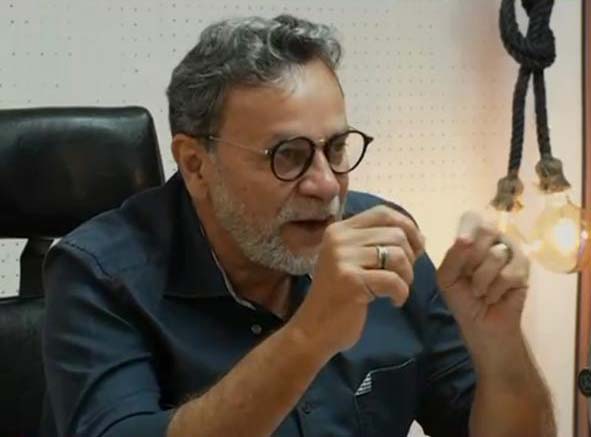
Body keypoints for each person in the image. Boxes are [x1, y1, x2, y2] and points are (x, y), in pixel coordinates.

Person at [42, 14, 556, 437]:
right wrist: (311, 334)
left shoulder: (386, 244)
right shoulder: (98, 275)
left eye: (337, 148)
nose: (327, 186)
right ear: (197, 166)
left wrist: (500, 345)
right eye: (288, 155)